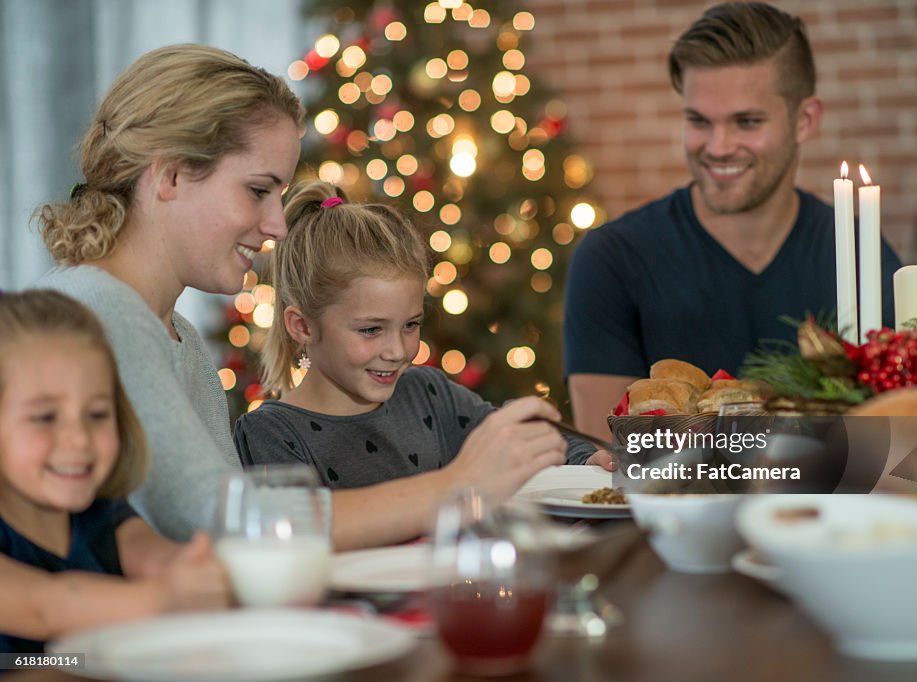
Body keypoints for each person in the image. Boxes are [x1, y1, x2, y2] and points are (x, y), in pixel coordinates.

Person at [35, 43, 570, 551]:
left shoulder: (181, 339)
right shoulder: (96, 316)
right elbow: (223, 521)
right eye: (257, 191)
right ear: (171, 174)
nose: (276, 226)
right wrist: (457, 486)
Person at [563, 2, 902, 439]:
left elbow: (899, 447)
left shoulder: (860, 254)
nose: (719, 147)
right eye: (699, 121)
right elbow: (607, 461)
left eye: (746, 121)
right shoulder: (613, 260)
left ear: (805, 120)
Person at [234, 182, 605, 492]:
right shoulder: (270, 434)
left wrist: (588, 459)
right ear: (302, 325)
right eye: (370, 330)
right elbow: (301, 542)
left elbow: (517, 437)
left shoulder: (428, 393)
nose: (398, 350)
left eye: (410, 325)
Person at [0, 290, 229, 654]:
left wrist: (195, 566)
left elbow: (156, 557)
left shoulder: (100, 514)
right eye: (45, 417)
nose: (78, 439)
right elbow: (44, 608)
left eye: (97, 414)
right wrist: (165, 598)